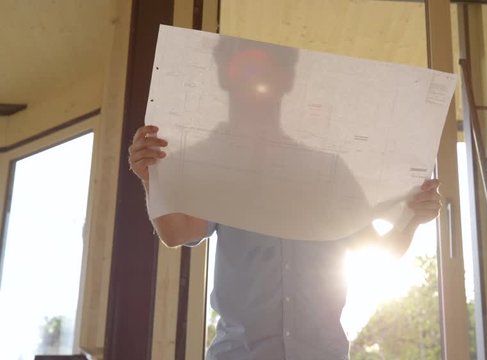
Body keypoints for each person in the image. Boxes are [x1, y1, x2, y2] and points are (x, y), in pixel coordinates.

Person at [128, 36, 443, 360]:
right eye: (244, 71)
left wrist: (413, 219)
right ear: (224, 78)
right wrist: (151, 178)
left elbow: (380, 252)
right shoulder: (216, 165)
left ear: (288, 80)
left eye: (266, 72)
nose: (256, 83)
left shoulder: (329, 171)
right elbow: (176, 231)